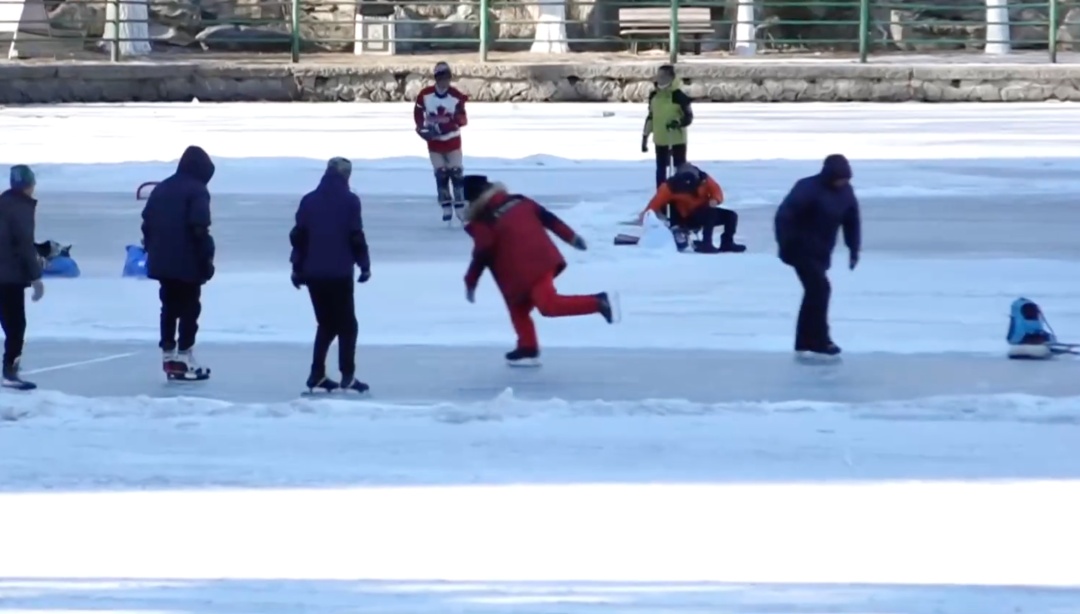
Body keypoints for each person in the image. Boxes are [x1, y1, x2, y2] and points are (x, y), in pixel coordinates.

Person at [461, 175, 618, 366]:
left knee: (548, 305)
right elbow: (548, 218)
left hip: (527, 269)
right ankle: (527, 346)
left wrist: (470, 283)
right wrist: (571, 237)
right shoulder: (519, 200)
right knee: (518, 307)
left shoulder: (483, 221)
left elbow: (480, 255)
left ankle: (598, 302)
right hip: (541, 260)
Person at [290, 157, 371, 394]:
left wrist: (296, 268)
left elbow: (299, 237)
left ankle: (317, 374)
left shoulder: (309, 200)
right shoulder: (350, 201)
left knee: (326, 324)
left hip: (313, 273)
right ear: (346, 175)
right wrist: (364, 265)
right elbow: (355, 236)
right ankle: (347, 376)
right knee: (348, 325)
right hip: (339, 273)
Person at [774, 154, 861, 359]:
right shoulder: (807, 188)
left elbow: (852, 221)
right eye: (839, 178)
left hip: (822, 250)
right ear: (829, 175)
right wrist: (786, 244)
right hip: (799, 248)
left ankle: (804, 341)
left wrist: (853, 248)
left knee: (814, 293)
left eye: (846, 179)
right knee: (821, 289)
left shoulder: (846, 192)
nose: (843, 182)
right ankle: (822, 341)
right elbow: (784, 216)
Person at [141, 145, 216, 380]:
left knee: (169, 307)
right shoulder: (198, 191)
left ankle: (168, 355)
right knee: (190, 308)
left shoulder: (162, 188)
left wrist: (153, 249)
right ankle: (184, 356)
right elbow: (199, 227)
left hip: (162, 261)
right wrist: (206, 259)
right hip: (188, 262)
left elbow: (147, 223)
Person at [0, 165, 45, 390]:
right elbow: (24, 245)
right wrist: (36, 278)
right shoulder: (21, 208)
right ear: (30, 185)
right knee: (16, 325)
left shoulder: (3, 203)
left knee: (9, 323)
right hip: (9, 277)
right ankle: (10, 371)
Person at [637, 163, 745, 254]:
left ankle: (727, 243)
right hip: (687, 217)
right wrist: (645, 215)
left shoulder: (705, 179)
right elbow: (656, 202)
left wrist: (715, 199)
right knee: (710, 214)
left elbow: (716, 191)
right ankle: (706, 243)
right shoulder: (669, 186)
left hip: (704, 210)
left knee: (731, 216)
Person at [414, 61, 469, 223]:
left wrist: (448, 124)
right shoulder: (425, 95)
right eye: (442, 78)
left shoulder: (456, 96)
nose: (446, 82)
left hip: (452, 141)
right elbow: (418, 112)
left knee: (456, 171)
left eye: (448, 78)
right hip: (434, 143)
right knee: (441, 172)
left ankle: (459, 204)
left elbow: (463, 119)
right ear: (437, 79)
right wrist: (421, 128)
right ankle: (445, 203)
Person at [641, 64, 693, 189]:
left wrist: (678, 123)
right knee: (661, 171)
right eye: (658, 75)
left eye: (662, 76)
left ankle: (681, 196)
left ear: (671, 77)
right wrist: (645, 137)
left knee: (679, 170)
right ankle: (661, 197)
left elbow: (688, 117)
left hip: (676, 140)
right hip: (660, 140)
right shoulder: (654, 95)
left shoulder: (679, 96)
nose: (658, 78)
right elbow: (651, 116)